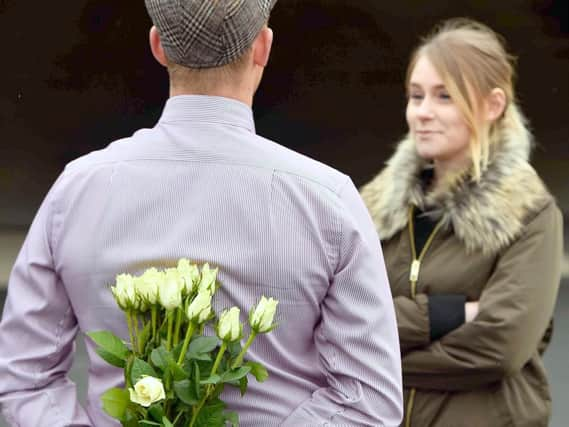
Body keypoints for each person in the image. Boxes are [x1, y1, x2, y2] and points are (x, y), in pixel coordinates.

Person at [0, 1, 403, 426]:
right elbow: (368, 402)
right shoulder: (328, 199)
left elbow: (22, 378)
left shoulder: (77, 190)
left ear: (157, 46)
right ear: (262, 47)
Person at [360, 18, 563, 427]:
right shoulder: (373, 210)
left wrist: (374, 365)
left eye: (444, 97)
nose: (422, 113)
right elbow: (342, 318)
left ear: (493, 105)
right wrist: (446, 312)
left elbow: (499, 347)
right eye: (415, 96)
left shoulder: (531, 215)